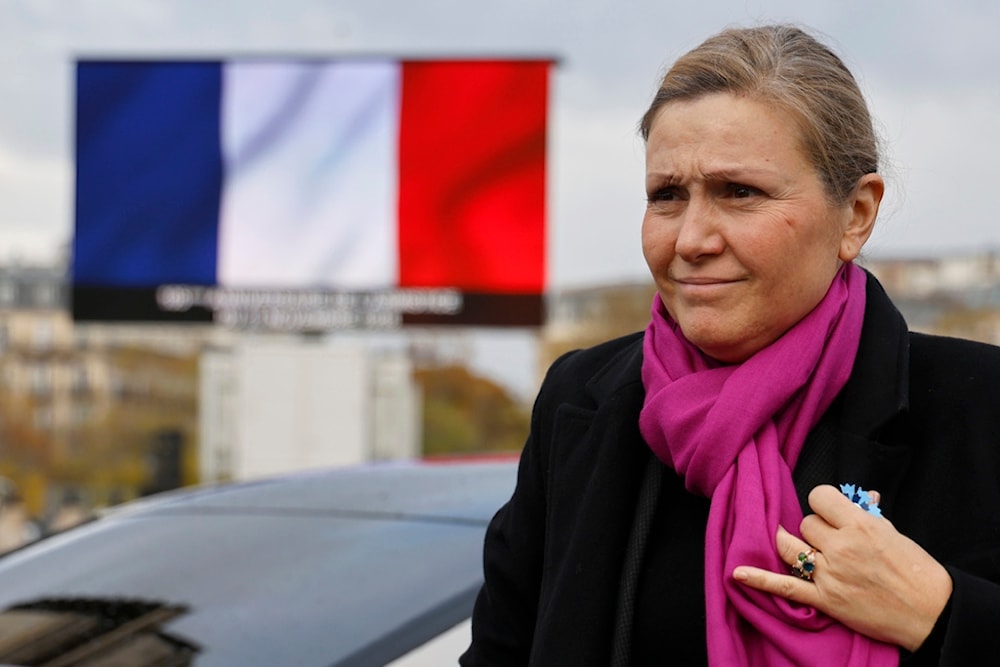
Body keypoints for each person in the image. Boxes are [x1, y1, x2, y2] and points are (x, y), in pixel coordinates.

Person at [460, 23, 1000, 667]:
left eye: (739, 193)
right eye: (667, 196)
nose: (691, 239)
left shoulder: (979, 407)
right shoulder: (583, 400)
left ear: (856, 215)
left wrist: (939, 613)